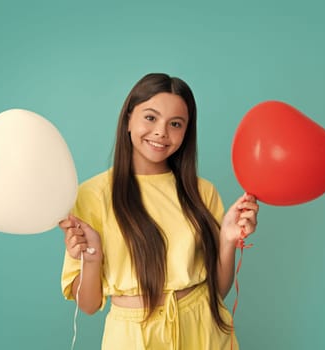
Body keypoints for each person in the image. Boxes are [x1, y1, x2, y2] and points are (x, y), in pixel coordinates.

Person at [59, 73, 259, 349]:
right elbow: (89, 305)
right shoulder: (91, 195)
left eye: (175, 124)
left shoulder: (202, 192)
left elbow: (217, 291)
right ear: (128, 118)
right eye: (150, 118)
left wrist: (227, 240)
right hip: (133, 337)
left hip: (203, 330)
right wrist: (91, 259)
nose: (161, 132)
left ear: (186, 131)